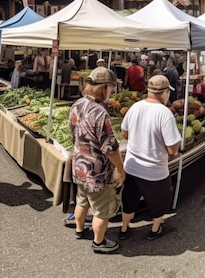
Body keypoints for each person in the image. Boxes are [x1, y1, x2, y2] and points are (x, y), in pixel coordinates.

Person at [69, 67, 125, 253]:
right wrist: (120, 169)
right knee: (102, 210)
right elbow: (110, 148)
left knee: (82, 200)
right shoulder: (100, 113)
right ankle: (99, 242)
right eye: (111, 87)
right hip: (96, 171)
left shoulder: (77, 104)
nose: (112, 91)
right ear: (104, 88)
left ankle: (79, 230)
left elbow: (73, 133)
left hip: (79, 166)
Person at [119, 75, 181, 241]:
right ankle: (154, 230)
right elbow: (173, 149)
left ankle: (124, 229)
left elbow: (124, 133)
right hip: (154, 171)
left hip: (131, 167)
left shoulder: (135, 107)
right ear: (165, 93)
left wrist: (139, 140)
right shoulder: (165, 114)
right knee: (160, 201)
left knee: (129, 199)